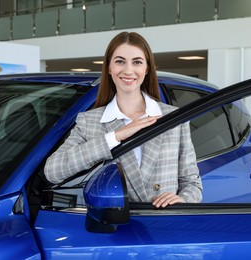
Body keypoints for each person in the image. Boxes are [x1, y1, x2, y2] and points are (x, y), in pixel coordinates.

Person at [44, 31, 202, 208]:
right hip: (113, 228)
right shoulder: (90, 121)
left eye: (137, 62)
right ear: (109, 68)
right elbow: (53, 171)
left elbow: (192, 184)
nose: (128, 70)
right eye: (120, 61)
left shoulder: (174, 119)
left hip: (162, 226)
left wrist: (183, 200)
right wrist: (115, 137)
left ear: (146, 68)